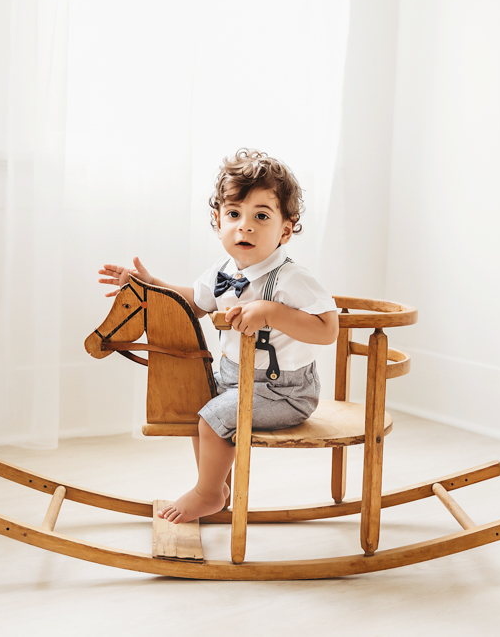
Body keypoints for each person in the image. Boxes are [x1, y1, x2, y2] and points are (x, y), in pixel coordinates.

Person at [98, 149, 339, 524]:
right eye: (234, 214)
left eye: (261, 216)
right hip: (233, 378)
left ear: (285, 230)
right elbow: (193, 303)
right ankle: (215, 485)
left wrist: (272, 312)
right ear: (217, 221)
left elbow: (328, 329)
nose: (245, 226)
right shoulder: (224, 270)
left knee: (213, 417)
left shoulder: (292, 279)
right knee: (199, 403)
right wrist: (150, 286)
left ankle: (207, 492)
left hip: (284, 391)